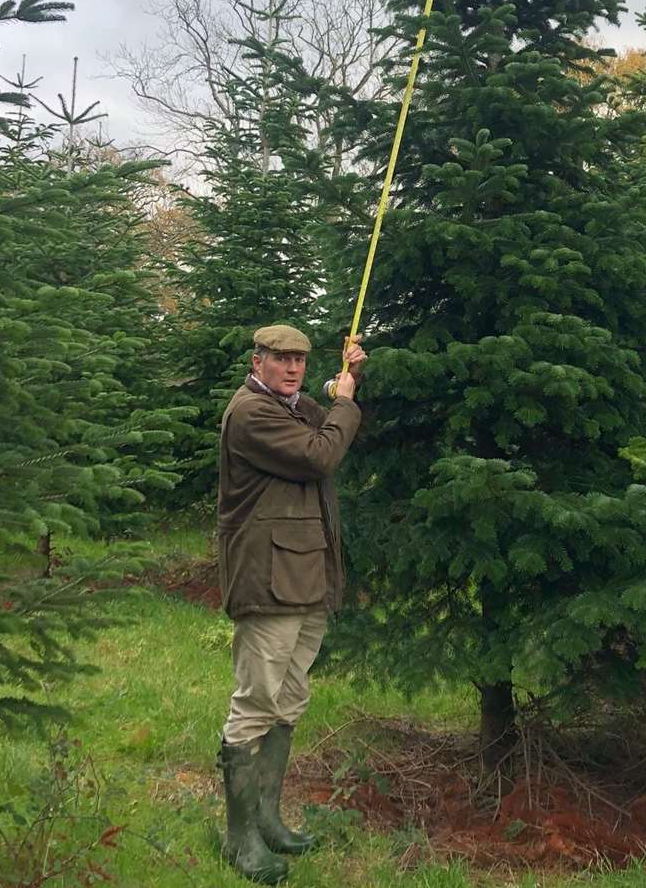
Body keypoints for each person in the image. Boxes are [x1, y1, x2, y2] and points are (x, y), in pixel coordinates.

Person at [216, 324, 366, 885]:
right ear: (258, 360)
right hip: (268, 579)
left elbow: (319, 418)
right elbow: (319, 454)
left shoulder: (288, 406)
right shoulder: (252, 414)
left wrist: (351, 378)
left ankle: (268, 820)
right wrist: (345, 403)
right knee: (256, 700)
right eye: (282, 359)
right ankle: (239, 836)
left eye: (300, 360)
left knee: (289, 697)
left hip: (304, 576)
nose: (293, 368)